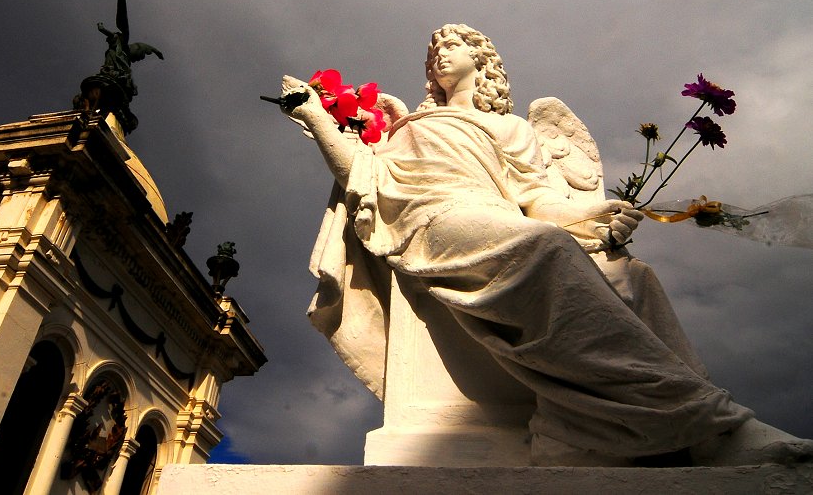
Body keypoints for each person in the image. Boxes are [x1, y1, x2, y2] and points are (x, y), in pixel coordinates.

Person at [279, 23, 812, 466]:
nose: (440, 53)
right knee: (547, 248)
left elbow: (539, 201)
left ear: (482, 60)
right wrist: (317, 117)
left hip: (498, 217)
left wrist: (597, 212)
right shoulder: (408, 126)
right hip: (434, 220)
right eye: (433, 50)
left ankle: (636, 430)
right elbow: (362, 176)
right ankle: (715, 426)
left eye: (452, 45)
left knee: (634, 276)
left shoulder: (513, 129)